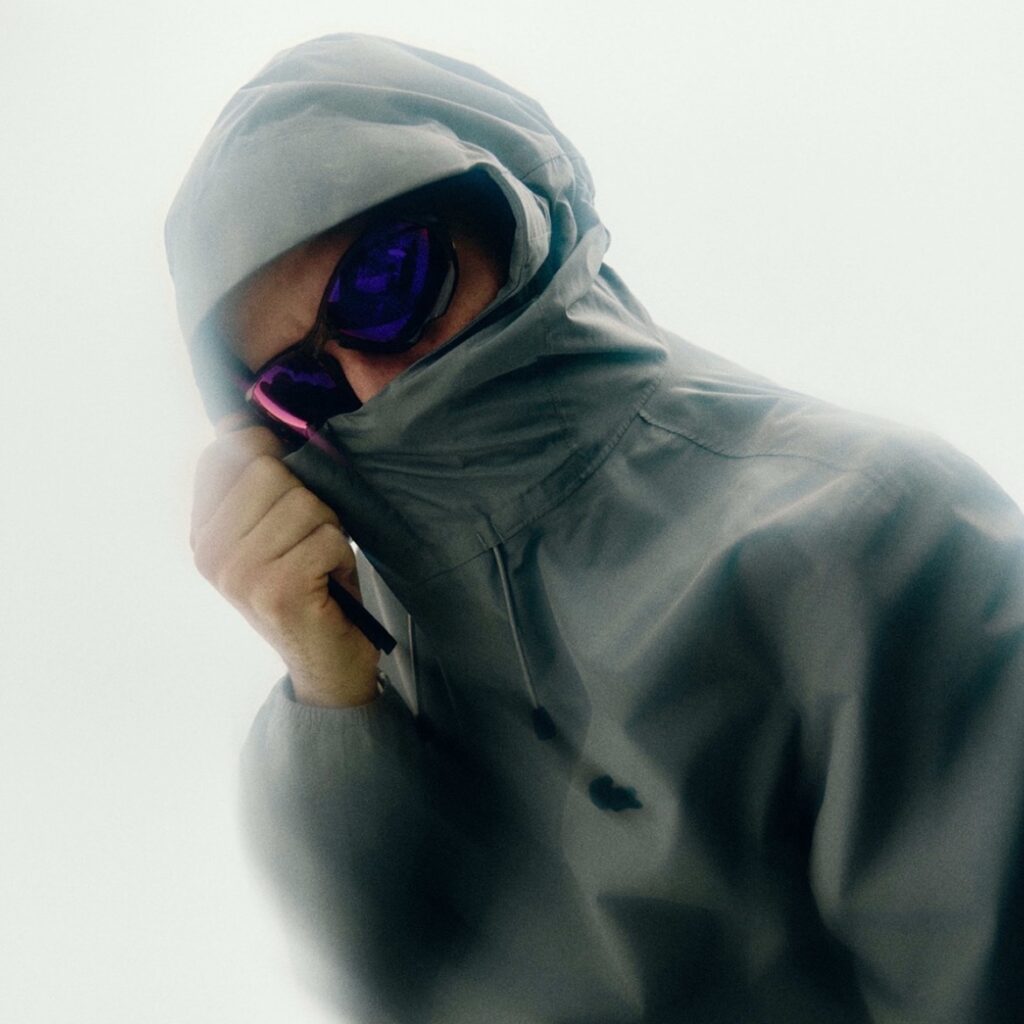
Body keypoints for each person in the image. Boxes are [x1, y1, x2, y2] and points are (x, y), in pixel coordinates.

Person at [166, 33, 1024, 1024]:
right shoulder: (367, 654)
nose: (370, 385)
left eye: (385, 284)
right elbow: (373, 981)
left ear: (512, 213)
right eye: (298, 384)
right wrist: (328, 698)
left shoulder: (870, 534)